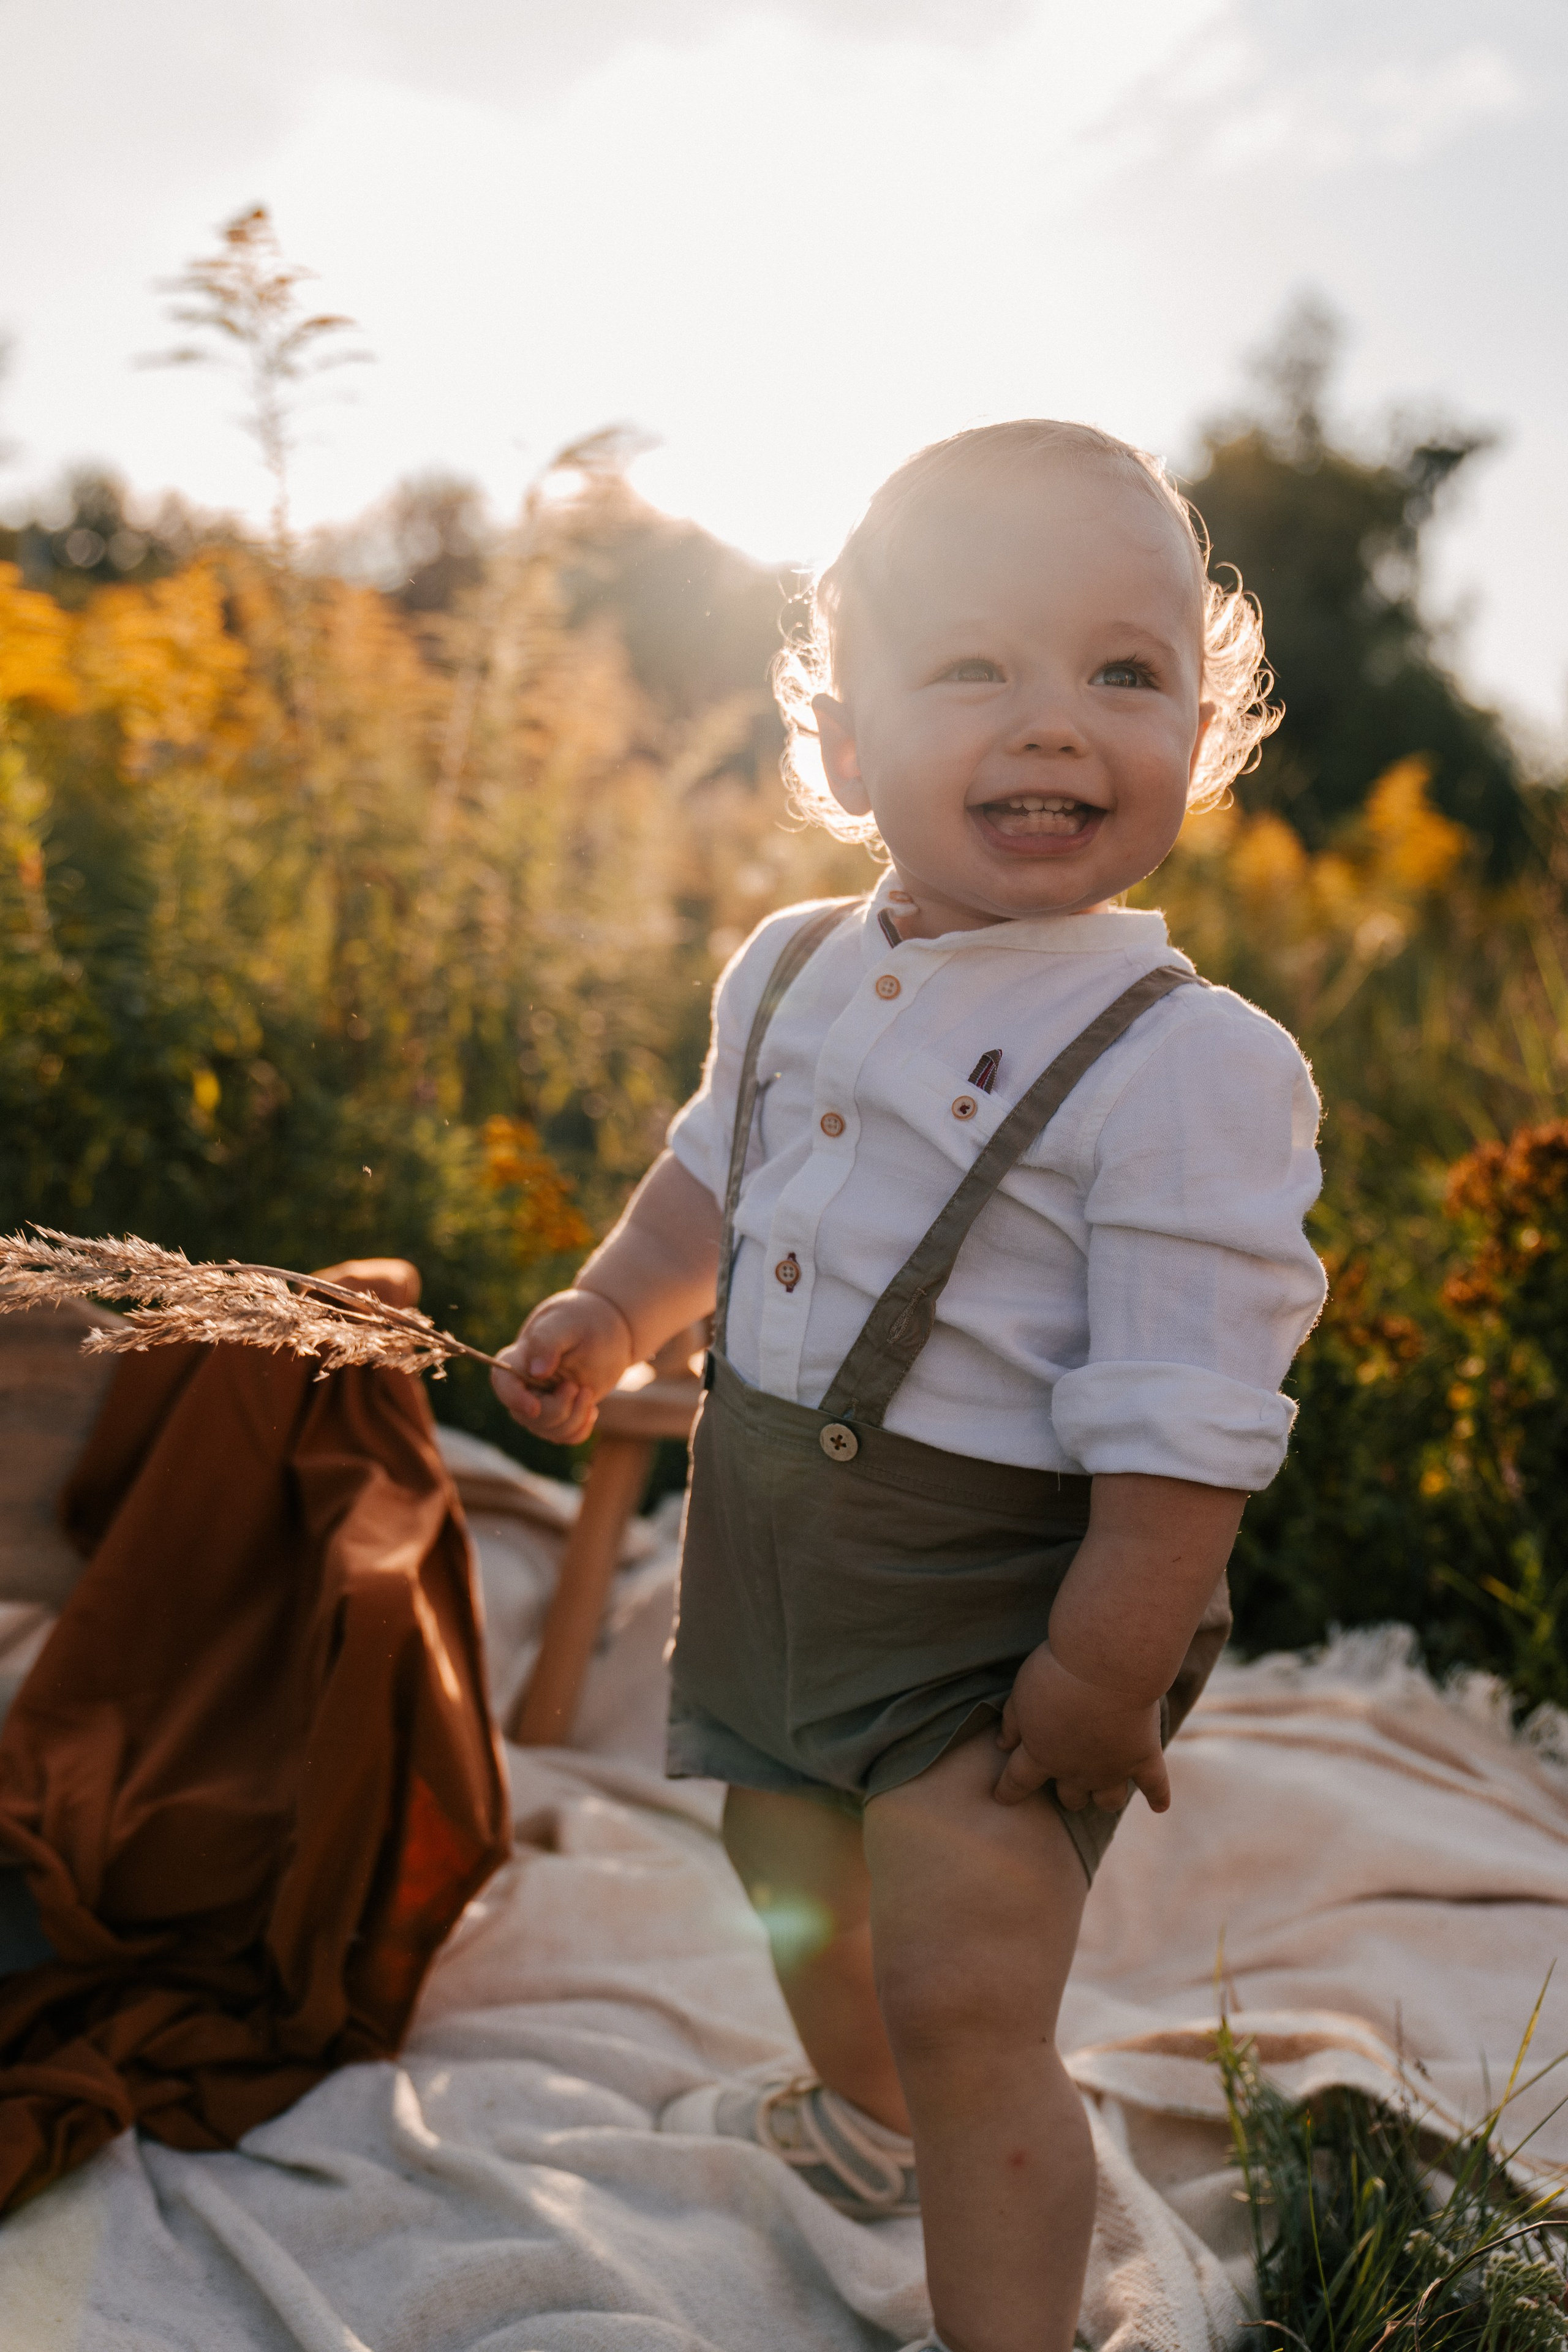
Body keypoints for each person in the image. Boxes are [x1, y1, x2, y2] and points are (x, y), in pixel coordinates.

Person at [494, 420, 1327, 2352]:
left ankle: (1006, 2309)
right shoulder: (787, 966)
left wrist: (1098, 1675)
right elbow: (713, 1180)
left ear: (1198, 737)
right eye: (975, 667)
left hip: (1012, 1602)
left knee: (972, 1997)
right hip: (779, 1548)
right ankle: (869, 2120)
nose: (1056, 723)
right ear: (847, 746)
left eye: (1125, 674)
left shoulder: (1182, 1061)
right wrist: (617, 1316)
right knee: (787, 1863)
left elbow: (1188, 1416)